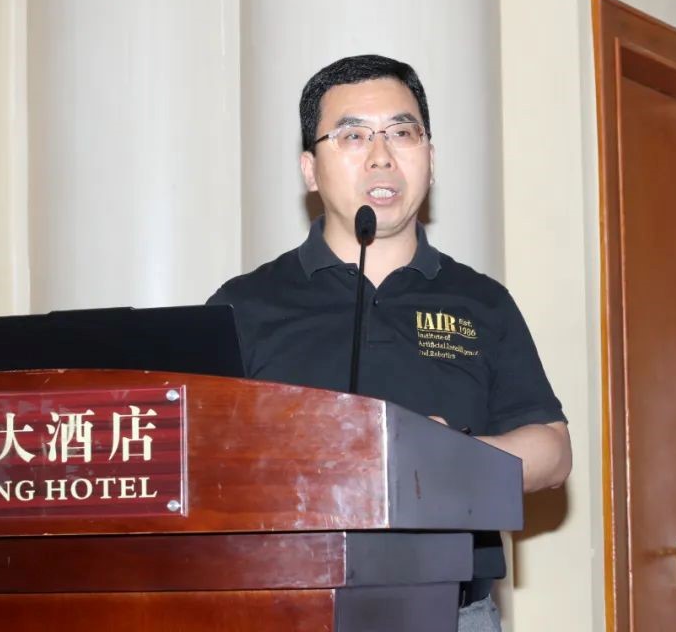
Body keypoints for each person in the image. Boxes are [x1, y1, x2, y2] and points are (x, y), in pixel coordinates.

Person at [208, 54, 571, 631]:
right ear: (310, 170)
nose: (382, 155)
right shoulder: (245, 304)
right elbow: (202, 458)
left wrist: (448, 457)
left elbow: (552, 450)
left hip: (452, 611)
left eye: (402, 133)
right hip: (283, 606)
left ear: (430, 158)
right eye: (353, 135)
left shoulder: (480, 301)